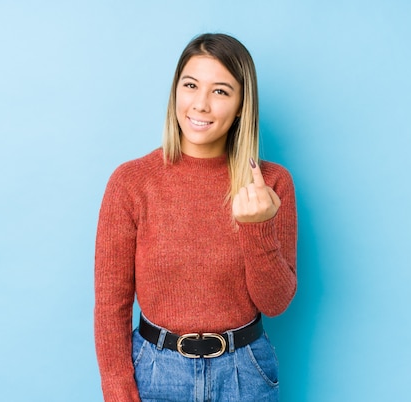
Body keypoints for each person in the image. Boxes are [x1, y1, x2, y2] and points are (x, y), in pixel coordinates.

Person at [94, 33, 297, 401]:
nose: (200, 104)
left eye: (220, 91)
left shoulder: (272, 183)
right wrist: (119, 392)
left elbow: (275, 303)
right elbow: (111, 307)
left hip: (244, 373)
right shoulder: (130, 182)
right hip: (155, 372)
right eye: (190, 85)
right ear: (176, 92)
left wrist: (256, 227)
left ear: (240, 106)